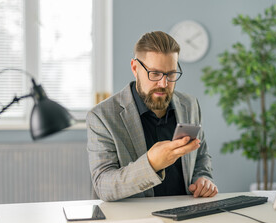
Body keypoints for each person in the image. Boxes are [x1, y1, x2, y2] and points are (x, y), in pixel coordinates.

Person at [86, 31, 218, 201]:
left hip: (186, 215)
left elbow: (200, 158)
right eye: (155, 74)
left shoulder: (190, 104)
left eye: (171, 74)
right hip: (134, 221)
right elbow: (103, 186)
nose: (163, 84)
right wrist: (151, 164)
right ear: (135, 68)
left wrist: (203, 179)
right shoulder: (102, 117)